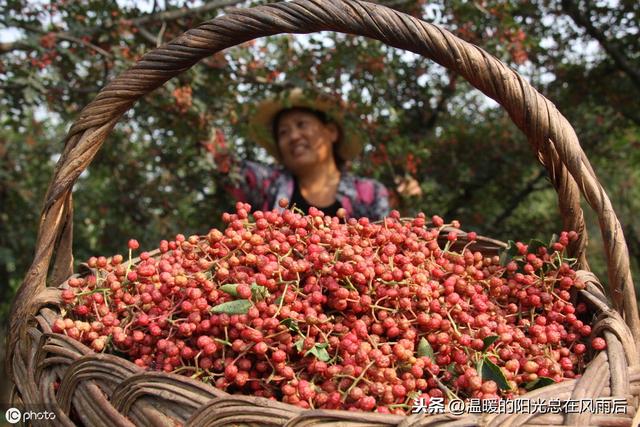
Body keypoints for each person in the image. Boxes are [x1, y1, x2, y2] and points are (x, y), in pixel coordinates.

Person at [211, 88, 390, 220]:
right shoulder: (270, 184)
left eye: (301, 124)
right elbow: (231, 168)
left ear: (331, 132)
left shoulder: (369, 193)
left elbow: (383, 245)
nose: (294, 136)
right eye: (283, 132)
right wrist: (208, 134)